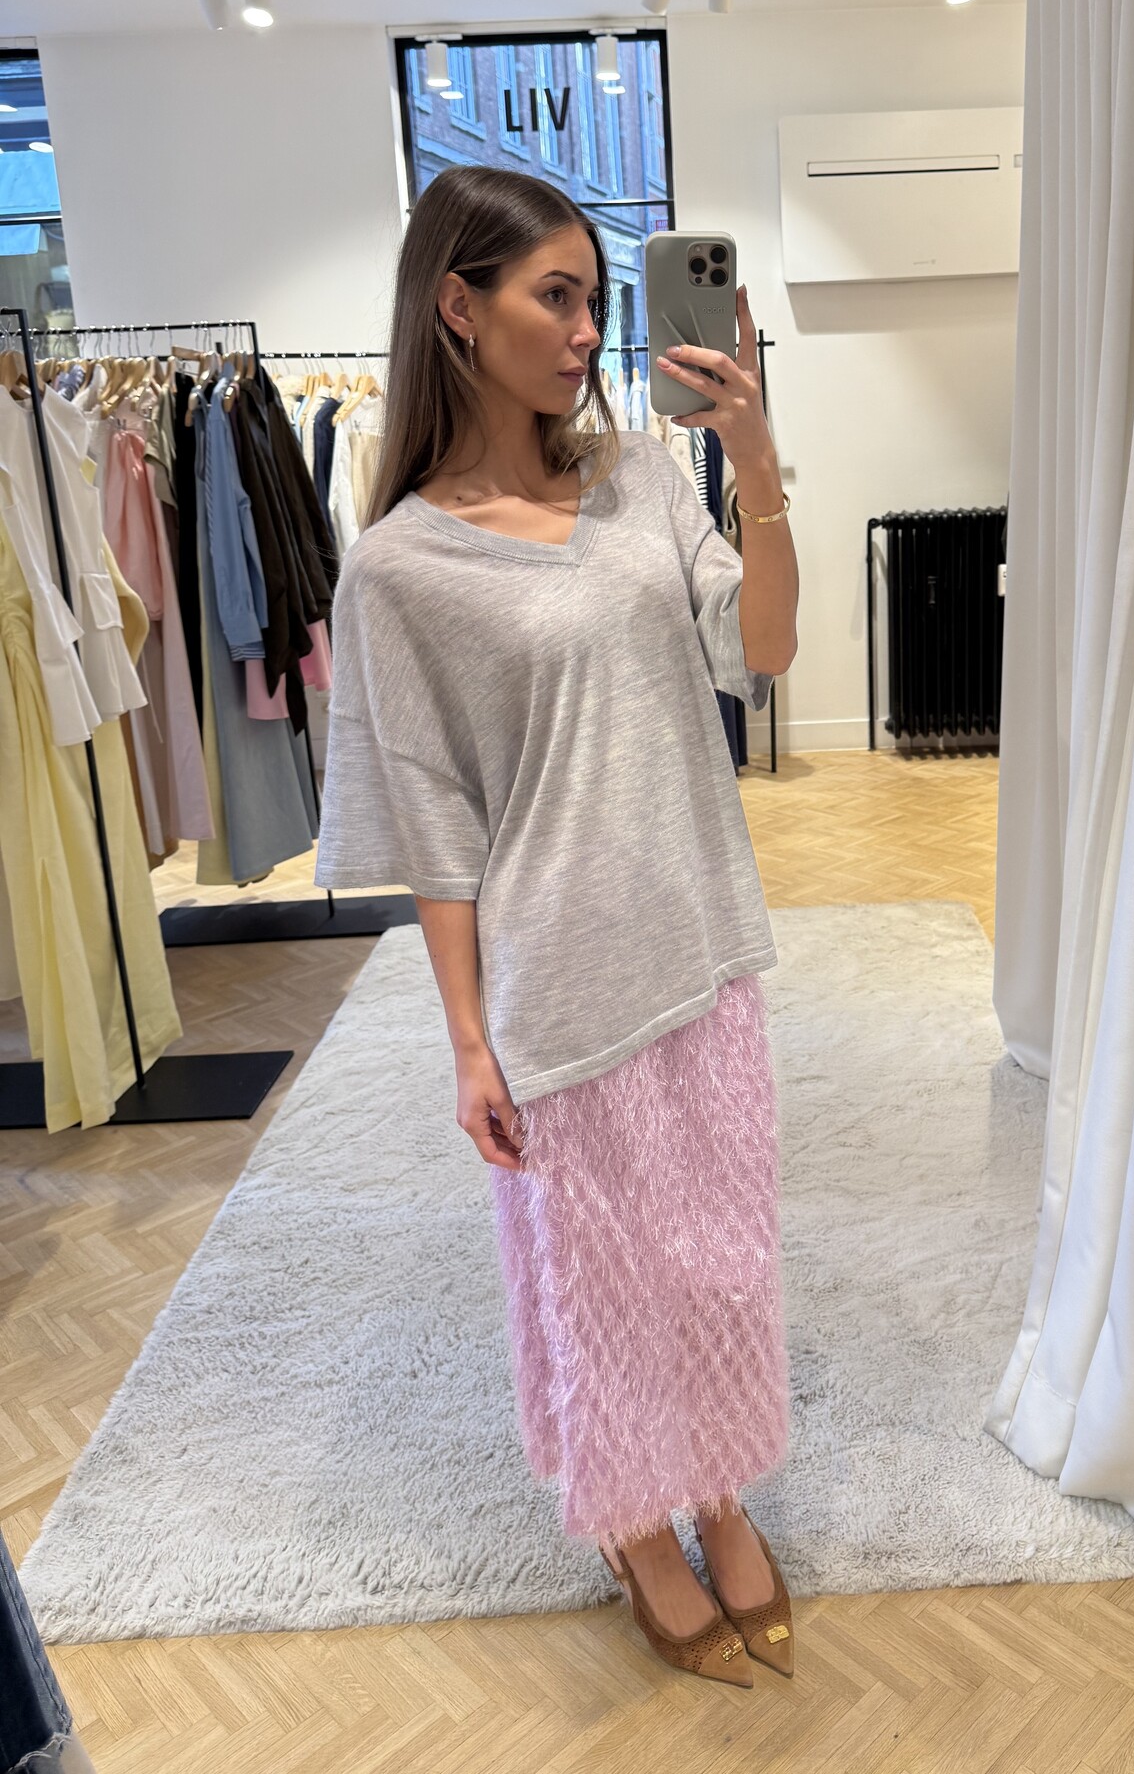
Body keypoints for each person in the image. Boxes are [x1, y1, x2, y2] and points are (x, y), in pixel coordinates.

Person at [314, 165, 800, 1687]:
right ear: (459, 307)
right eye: (559, 296)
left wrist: (755, 465)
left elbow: (766, 649)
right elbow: (432, 822)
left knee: (716, 1261)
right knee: (602, 1282)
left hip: (699, 942)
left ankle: (718, 1488)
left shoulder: (646, 478)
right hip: (556, 979)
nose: (591, 329)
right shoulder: (400, 566)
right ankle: (636, 1522)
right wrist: (468, 1042)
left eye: (596, 298)